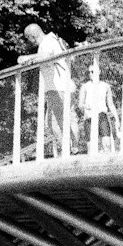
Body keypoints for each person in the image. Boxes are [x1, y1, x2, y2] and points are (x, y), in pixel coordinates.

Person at [18, 23, 73, 153]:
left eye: (28, 39)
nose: (29, 42)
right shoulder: (48, 41)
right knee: (52, 121)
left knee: (55, 121)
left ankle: (68, 150)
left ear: (32, 36)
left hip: (57, 86)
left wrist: (27, 57)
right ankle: (69, 148)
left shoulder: (48, 41)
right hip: (54, 87)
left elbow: (46, 56)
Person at [78, 61, 120, 153]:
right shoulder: (85, 86)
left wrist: (117, 118)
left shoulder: (105, 86)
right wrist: (85, 106)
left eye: (92, 71)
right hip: (89, 117)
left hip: (101, 116)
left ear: (99, 72)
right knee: (91, 149)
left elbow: (110, 104)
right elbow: (80, 104)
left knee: (107, 144)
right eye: (89, 72)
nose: (90, 74)